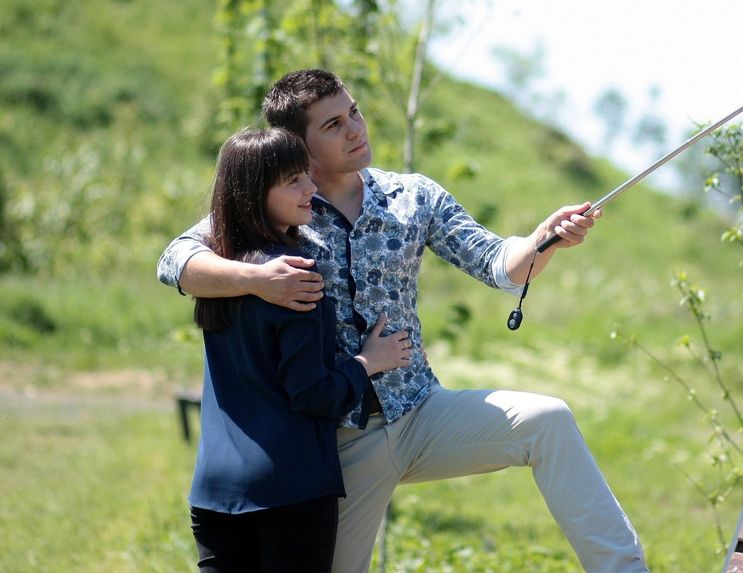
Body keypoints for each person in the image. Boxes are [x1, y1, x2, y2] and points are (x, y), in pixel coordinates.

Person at [158, 69, 649, 573]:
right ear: (297, 147)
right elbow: (174, 261)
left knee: (548, 421)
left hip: (419, 412)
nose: (355, 129)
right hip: (336, 444)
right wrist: (257, 278)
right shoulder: (281, 207)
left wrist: (544, 237)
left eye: (355, 112)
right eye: (332, 125)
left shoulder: (414, 196)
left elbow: (499, 264)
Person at [186, 127, 411, 573]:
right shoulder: (297, 278)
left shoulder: (218, 273)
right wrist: (368, 362)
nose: (311, 188)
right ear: (254, 192)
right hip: (291, 490)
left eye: (306, 175)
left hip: (213, 490)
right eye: (293, 180)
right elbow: (312, 395)